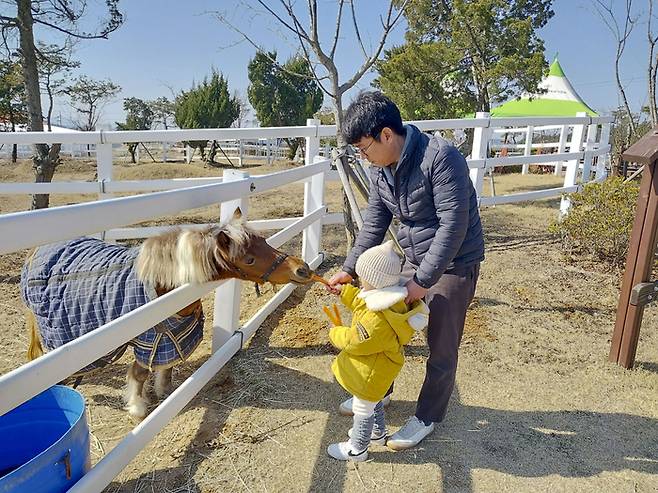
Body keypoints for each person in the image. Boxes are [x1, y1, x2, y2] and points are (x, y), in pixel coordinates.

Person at [328, 90, 484, 451]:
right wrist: (350, 270)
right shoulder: (381, 170)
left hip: (456, 262)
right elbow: (373, 224)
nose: (363, 158)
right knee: (386, 328)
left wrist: (422, 282)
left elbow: (453, 226)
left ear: (386, 134)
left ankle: (427, 416)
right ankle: (377, 392)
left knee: (441, 344)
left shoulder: (441, 158)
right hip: (414, 259)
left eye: (364, 148)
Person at [326, 240, 429, 461]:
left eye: (362, 277)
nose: (360, 281)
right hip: (379, 369)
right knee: (375, 401)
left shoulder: (377, 318)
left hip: (371, 371)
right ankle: (377, 433)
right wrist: (344, 292)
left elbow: (356, 341)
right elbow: (361, 301)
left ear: (373, 280)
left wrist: (335, 332)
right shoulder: (386, 299)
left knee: (363, 408)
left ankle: (357, 448)